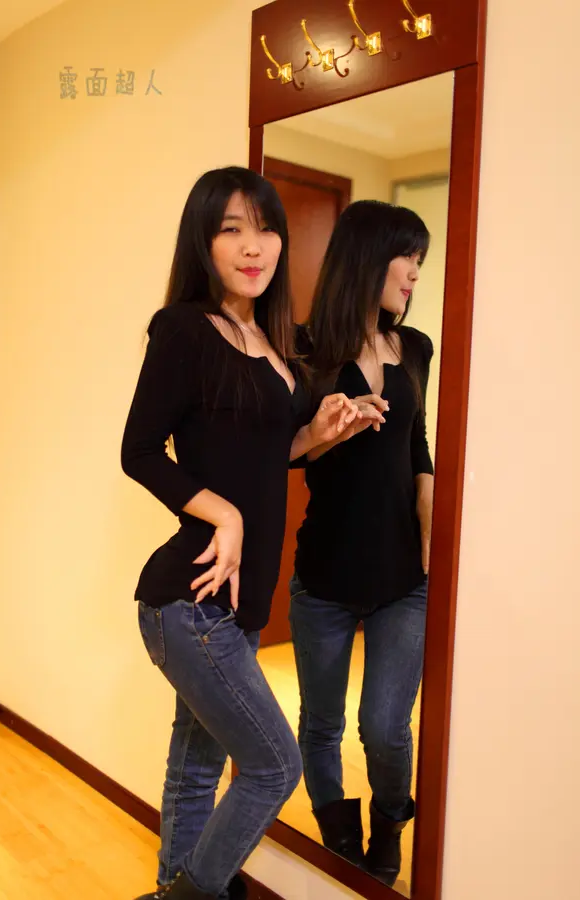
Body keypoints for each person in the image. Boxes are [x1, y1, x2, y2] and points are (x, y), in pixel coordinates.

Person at [121, 167, 379, 900]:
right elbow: (139, 451)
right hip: (190, 598)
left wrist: (320, 433)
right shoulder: (183, 329)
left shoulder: (269, 340)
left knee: (196, 768)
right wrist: (225, 514)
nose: (252, 245)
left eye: (265, 228)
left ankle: (174, 882)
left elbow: (267, 455)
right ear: (202, 242)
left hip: (237, 604)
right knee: (275, 765)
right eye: (231, 228)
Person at [289, 200, 434, 887]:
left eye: (420, 261)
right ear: (369, 257)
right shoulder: (303, 349)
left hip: (403, 579)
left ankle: (389, 822)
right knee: (320, 723)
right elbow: (282, 454)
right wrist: (328, 433)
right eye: (407, 257)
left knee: (383, 727)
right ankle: (338, 834)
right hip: (323, 577)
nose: (415, 274)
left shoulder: (417, 348)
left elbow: (418, 444)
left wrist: (430, 525)